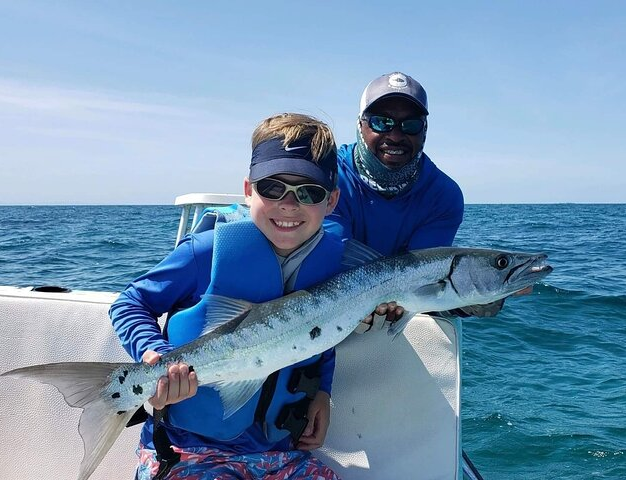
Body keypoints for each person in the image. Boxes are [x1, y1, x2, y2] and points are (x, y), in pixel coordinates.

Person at [110, 113, 344, 480]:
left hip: (281, 453)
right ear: (249, 190)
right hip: (188, 451)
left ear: (331, 201)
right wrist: (153, 354)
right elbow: (129, 304)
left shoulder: (329, 263)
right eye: (272, 188)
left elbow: (321, 333)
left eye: (308, 193)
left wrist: (323, 393)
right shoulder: (205, 252)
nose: (288, 203)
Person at [325, 72, 514, 329]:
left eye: (410, 125)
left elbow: (420, 279)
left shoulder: (444, 195)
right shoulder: (326, 175)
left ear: (424, 131)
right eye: (381, 122)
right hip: (328, 306)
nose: (395, 135)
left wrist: (469, 299)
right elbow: (329, 259)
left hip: (391, 311)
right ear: (360, 125)